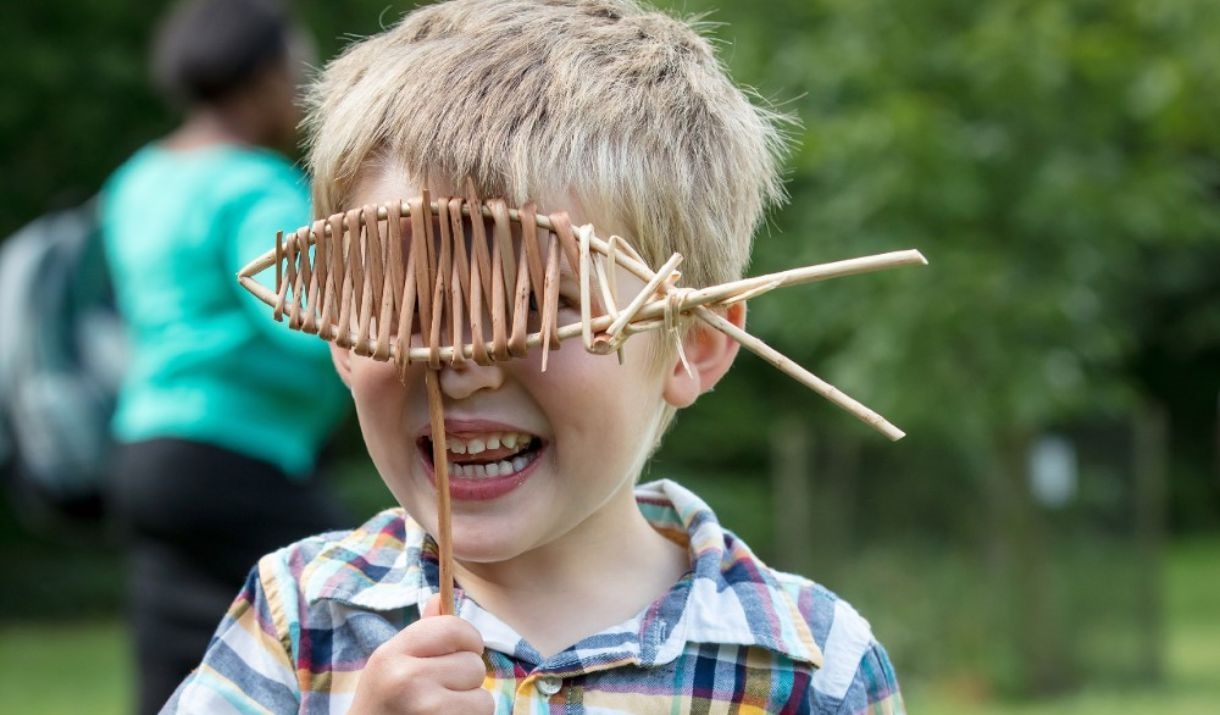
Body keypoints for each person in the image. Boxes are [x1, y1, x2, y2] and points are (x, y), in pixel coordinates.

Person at [164, 0, 904, 713]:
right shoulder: (300, 617)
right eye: (407, 307)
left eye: (538, 310)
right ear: (342, 338)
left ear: (695, 342)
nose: (460, 363)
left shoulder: (808, 666)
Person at [100, 0, 351, 712]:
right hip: (237, 451)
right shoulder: (253, 186)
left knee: (174, 659)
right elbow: (304, 317)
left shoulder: (139, 178)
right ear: (264, 74)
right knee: (341, 604)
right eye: (296, 63)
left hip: (144, 448)